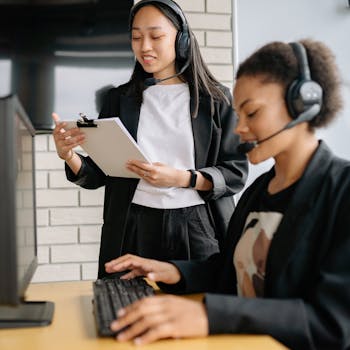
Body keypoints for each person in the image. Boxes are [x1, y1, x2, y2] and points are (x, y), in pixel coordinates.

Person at [103, 38, 350, 350]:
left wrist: (210, 315)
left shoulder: (342, 193)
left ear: (302, 104)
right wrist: (172, 270)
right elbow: (228, 269)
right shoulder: (258, 193)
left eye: (252, 113)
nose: (239, 129)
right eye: (238, 114)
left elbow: (334, 322)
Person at [52, 0, 248, 278]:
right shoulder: (118, 99)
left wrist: (182, 178)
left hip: (196, 226)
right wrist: (69, 155)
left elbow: (235, 172)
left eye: (156, 36)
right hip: (133, 225)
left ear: (181, 40)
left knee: (197, 310)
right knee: (125, 307)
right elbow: (98, 175)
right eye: (136, 37)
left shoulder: (216, 100)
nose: (144, 47)